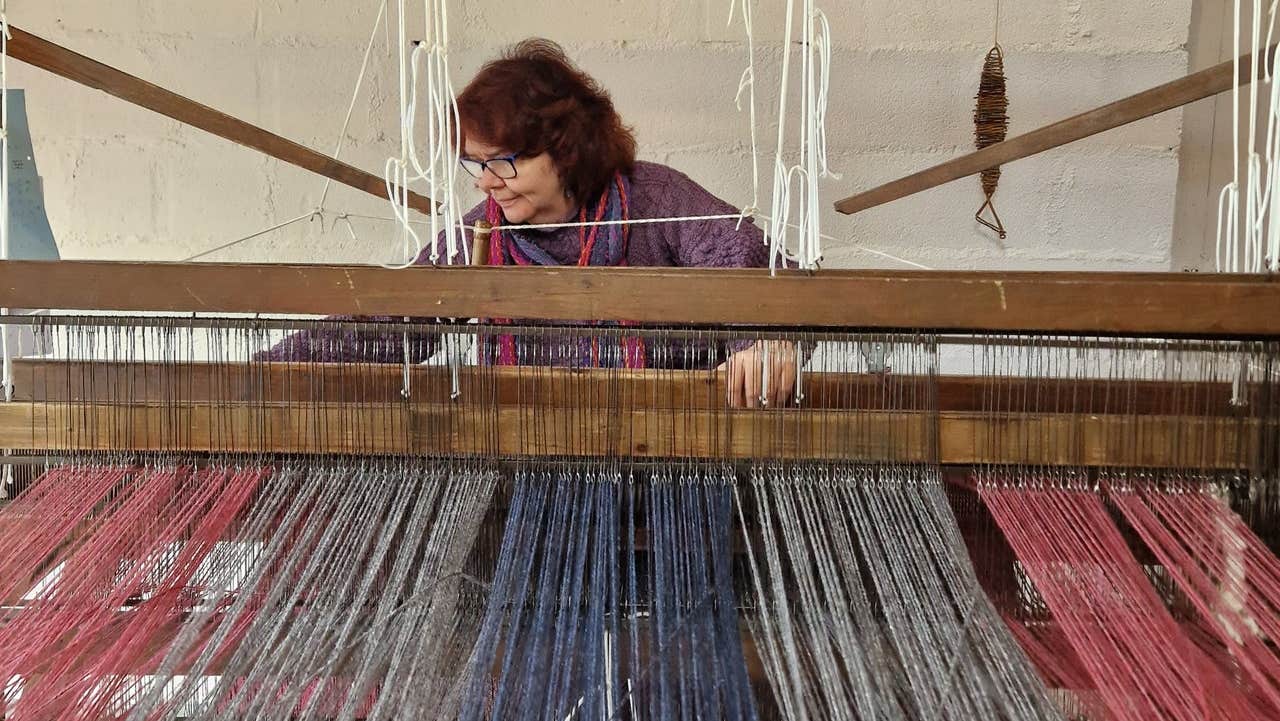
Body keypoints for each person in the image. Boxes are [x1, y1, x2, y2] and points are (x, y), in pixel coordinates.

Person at [262, 38, 796, 408]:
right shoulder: (484, 233)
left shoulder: (655, 200)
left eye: (504, 160)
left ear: (564, 149)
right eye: (475, 162)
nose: (485, 180)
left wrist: (761, 341)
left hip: (672, 471)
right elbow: (394, 318)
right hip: (528, 472)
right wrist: (263, 373)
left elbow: (754, 267)